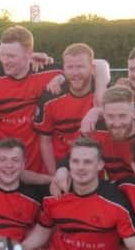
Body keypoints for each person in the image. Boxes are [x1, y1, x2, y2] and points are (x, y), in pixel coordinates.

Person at [0, 25, 64, 172]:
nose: (5, 61)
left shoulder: (47, 73)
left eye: (11, 56)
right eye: (2, 55)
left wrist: (61, 77)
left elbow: (96, 66)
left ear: (28, 54)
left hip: (37, 169)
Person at [34, 43, 96, 174]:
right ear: (63, 69)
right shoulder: (50, 97)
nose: (75, 72)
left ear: (92, 68)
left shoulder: (101, 93)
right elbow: (45, 142)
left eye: (80, 67)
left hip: (92, 171)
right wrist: (54, 176)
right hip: (58, 167)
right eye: (70, 67)